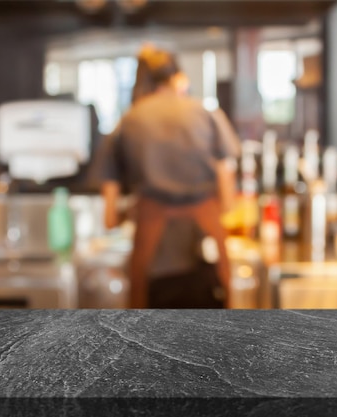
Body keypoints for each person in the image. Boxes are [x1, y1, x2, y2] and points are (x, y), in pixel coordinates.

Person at [97, 45, 239, 309]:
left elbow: (109, 217)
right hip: (205, 260)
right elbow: (228, 195)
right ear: (177, 76)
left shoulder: (127, 122)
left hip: (152, 265)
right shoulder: (206, 113)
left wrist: (133, 212)